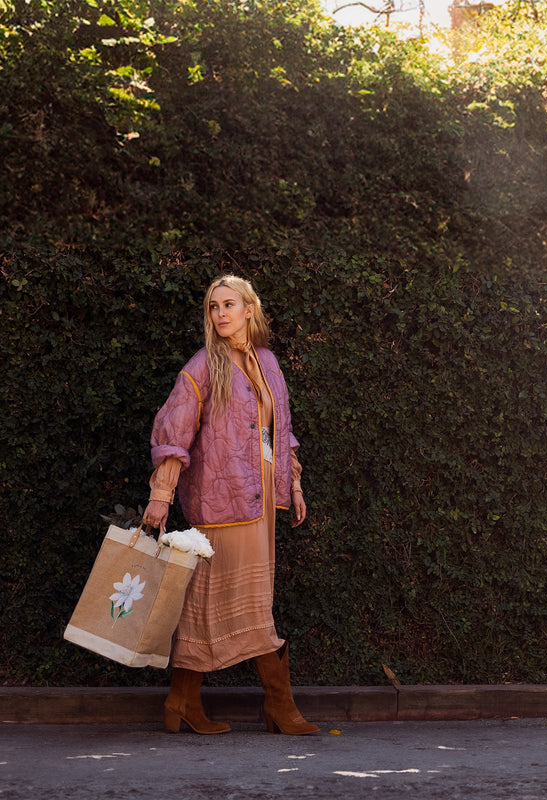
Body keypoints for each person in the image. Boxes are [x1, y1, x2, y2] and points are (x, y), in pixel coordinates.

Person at [142, 274, 318, 736]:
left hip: (260, 502)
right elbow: (172, 435)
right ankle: (280, 707)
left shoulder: (268, 363)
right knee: (226, 601)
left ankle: (181, 701)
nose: (220, 313)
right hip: (222, 502)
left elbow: (280, 433)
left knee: (225, 599)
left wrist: (293, 485)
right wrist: (161, 497)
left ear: (248, 310)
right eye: (213, 306)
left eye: (229, 304)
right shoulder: (202, 366)